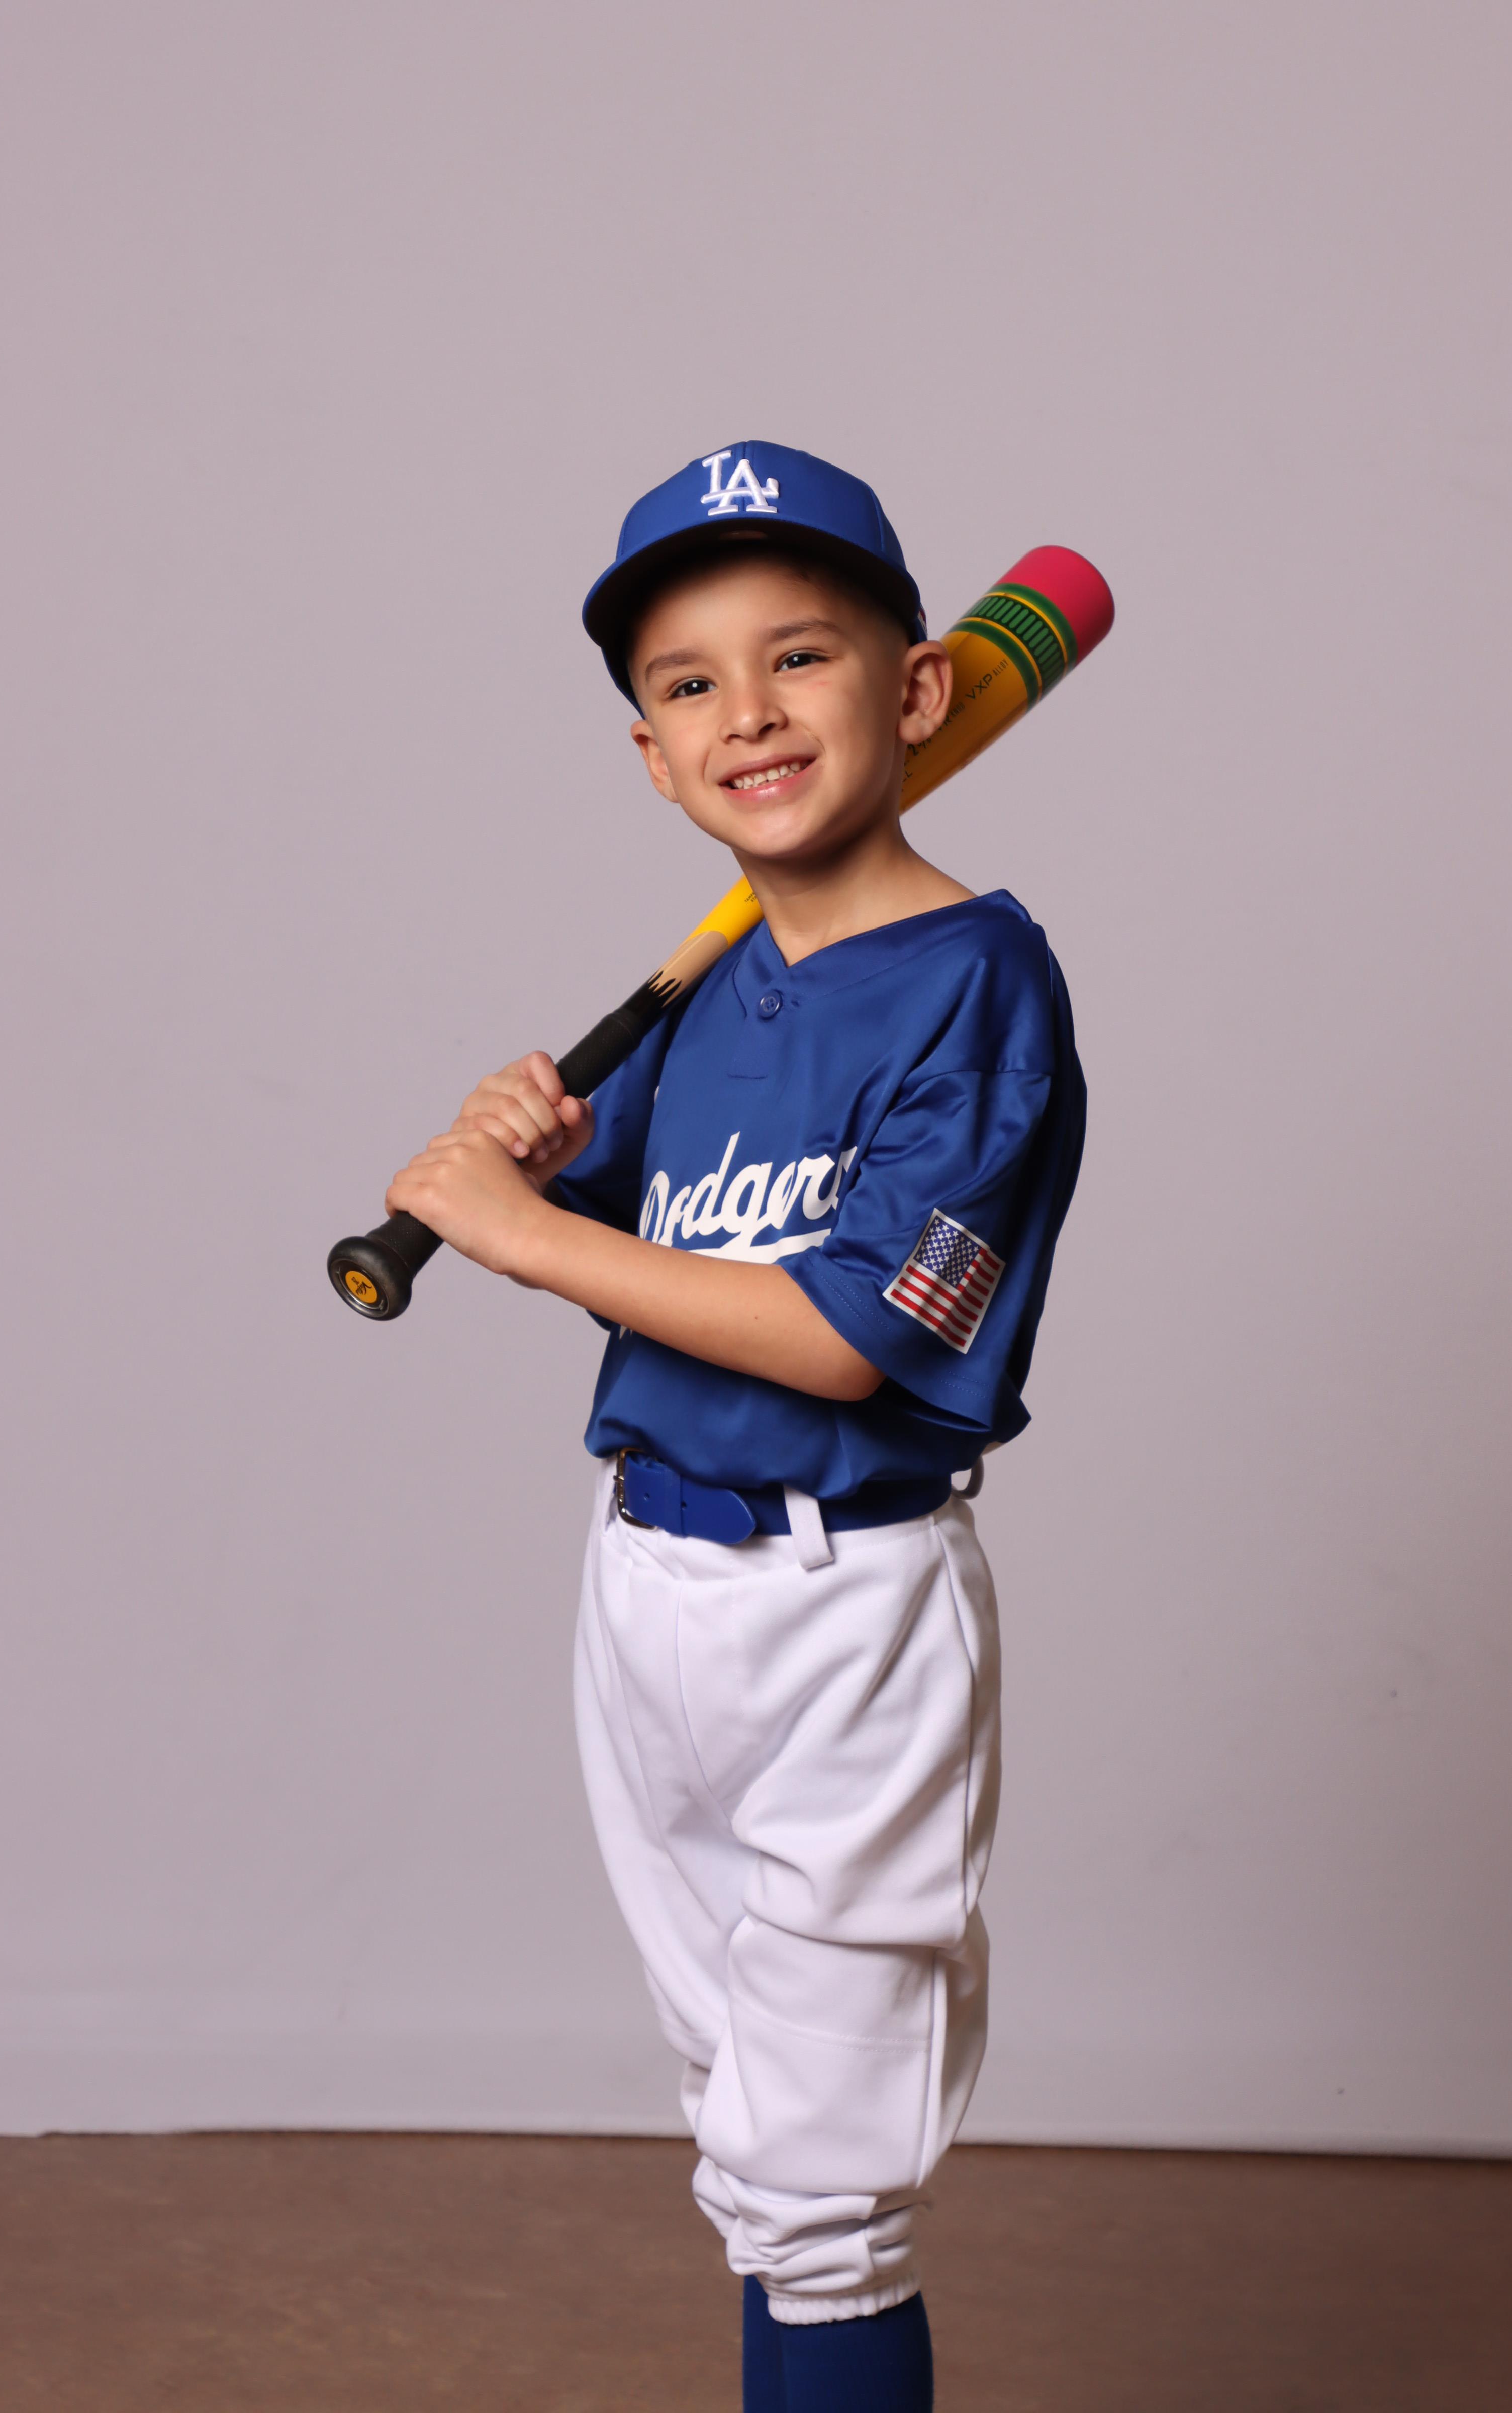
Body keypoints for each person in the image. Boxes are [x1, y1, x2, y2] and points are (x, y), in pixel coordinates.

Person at [386, 442, 1086, 2412]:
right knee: (741, 2132)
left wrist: (525, 1237)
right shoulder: (713, 995)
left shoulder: (977, 983)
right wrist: (533, 1154)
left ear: (920, 690)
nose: (748, 713)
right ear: (652, 755)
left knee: (819, 2178)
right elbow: (634, 1226)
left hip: (842, 1610)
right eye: (689, 683)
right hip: (645, 1592)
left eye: (800, 656)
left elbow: (849, 1337)